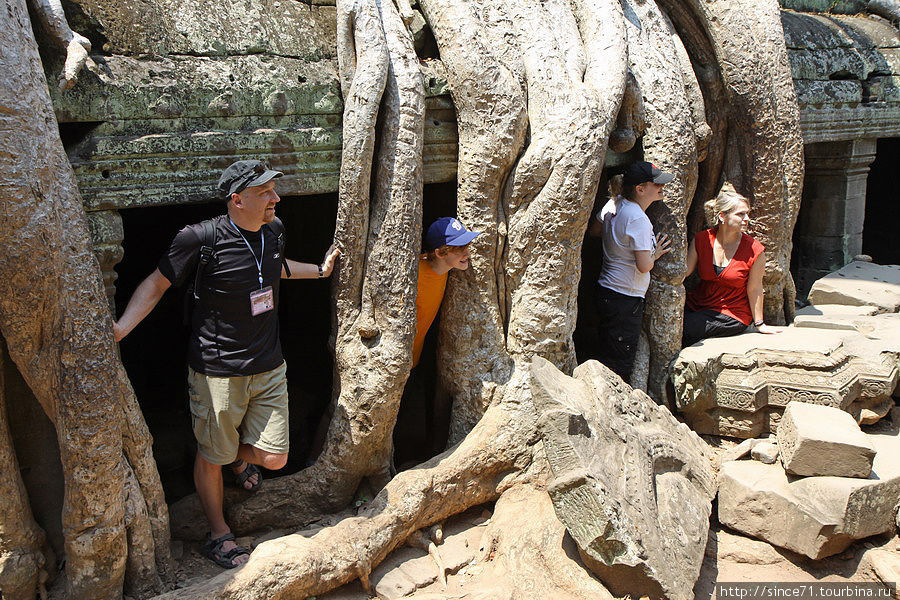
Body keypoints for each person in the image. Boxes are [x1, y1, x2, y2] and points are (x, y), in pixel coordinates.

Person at [113, 160, 341, 569]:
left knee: (274, 458)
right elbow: (155, 283)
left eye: (274, 189)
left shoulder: (274, 230)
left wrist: (320, 272)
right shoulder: (200, 238)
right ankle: (219, 534)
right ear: (237, 200)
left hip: (269, 365)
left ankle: (235, 458)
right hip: (217, 370)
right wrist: (121, 329)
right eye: (265, 192)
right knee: (212, 457)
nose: (276, 198)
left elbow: (273, 271)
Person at [588, 161, 672, 382]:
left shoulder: (615, 204)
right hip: (626, 297)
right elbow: (645, 265)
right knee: (619, 363)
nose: (661, 187)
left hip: (606, 290)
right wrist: (656, 252)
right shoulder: (638, 219)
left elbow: (595, 230)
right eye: (656, 184)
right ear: (640, 189)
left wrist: (616, 243)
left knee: (606, 350)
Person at [682, 184, 781, 347]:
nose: (747, 219)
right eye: (741, 214)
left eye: (747, 214)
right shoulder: (702, 239)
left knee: (688, 327)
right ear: (722, 216)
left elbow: (755, 288)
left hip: (732, 313)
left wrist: (759, 323)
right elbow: (685, 271)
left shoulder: (755, 250)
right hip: (698, 305)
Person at [412, 217, 481, 368]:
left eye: (466, 246)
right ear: (440, 253)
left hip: (415, 357)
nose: (467, 253)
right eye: (459, 249)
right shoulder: (414, 274)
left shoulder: (446, 268)